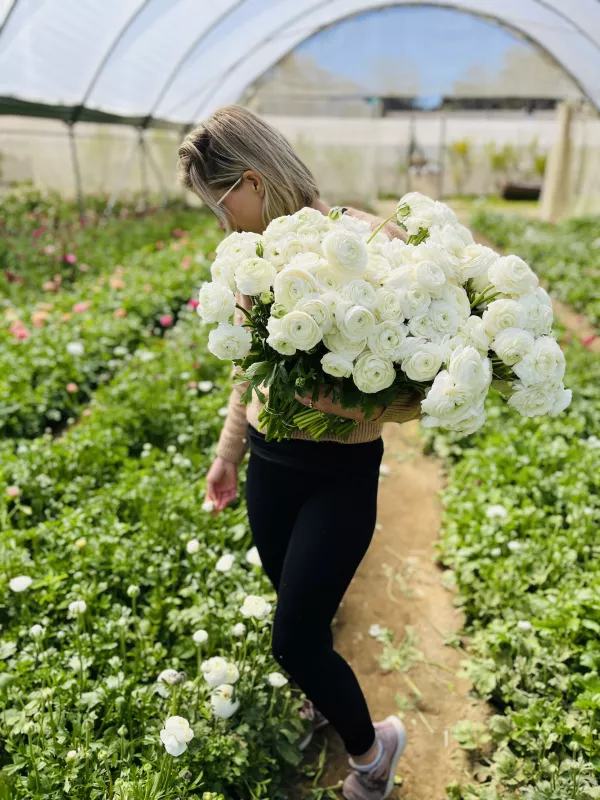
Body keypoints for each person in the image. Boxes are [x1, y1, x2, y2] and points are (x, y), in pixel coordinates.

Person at [178, 105, 420, 800]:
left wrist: (322, 397)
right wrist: (228, 454)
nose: (222, 227)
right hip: (269, 467)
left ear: (252, 181)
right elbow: (245, 371)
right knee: (298, 608)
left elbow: (409, 393)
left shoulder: (369, 243)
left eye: (221, 208)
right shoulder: (252, 260)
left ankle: (375, 755)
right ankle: (323, 692)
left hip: (338, 476)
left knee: (292, 639)